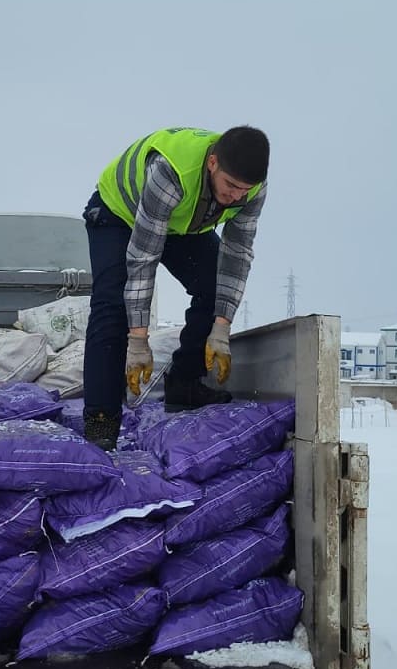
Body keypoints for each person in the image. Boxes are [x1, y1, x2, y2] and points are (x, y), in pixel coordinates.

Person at [80, 126, 269, 448]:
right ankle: (101, 419)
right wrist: (138, 341)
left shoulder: (251, 190)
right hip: (120, 215)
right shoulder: (172, 171)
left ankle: (184, 382)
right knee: (112, 306)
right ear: (212, 163)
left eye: (244, 190)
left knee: (214, 286)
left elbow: (236, 256)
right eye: (231, 185)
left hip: (183, 222)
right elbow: (144, 257)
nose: (236, 196)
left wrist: (222, 327)